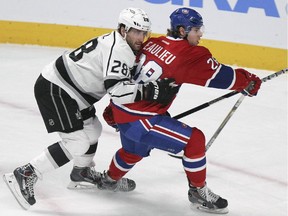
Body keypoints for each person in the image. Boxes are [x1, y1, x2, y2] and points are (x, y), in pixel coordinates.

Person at [3, 7, 173, 210]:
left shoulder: (119, 43)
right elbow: (117, 90)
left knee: (93, 129)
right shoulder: (119, 50)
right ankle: (26, 173)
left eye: (144, 32)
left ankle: (80, 173)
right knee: (78, 142)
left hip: (73, 92)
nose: (141, 37)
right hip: (57, 90)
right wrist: (151, 92)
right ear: (123, 29)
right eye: (136, 31)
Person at [100, 7, 262, 214]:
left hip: (121, 111)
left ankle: (109, 180)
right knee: (194, 140)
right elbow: (222, 77)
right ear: (182, 31)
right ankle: (198, 192)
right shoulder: (191, 54)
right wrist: (248, 81)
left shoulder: (154, 42)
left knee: (133, 151)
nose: (200, 33)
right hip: (142, 120)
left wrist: (115, 107)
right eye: (196, 29)